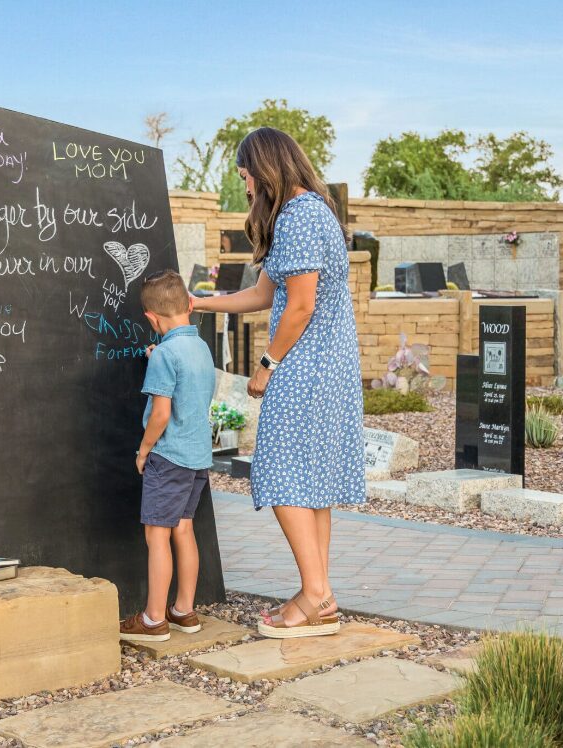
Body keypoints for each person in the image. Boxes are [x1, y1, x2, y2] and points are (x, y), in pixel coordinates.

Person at [192, 127, 366, 639]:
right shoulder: (307, 213)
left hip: (307, 367)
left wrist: (266, 363)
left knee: (279, 471)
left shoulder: (300, 216)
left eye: (245, 175)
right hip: (325, 367)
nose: (245, 186)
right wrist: (198, 302)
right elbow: (264, 295)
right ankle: (322, 597)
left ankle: (313, 594)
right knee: (310, 482)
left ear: (264, 169)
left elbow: (302, 306)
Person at [119, 269, 216, 643]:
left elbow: (160, 414)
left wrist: (143, 450)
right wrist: (157, 355)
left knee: (156, 535)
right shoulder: (200, 348)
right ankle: (184, 610)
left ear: (151, 318)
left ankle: (153, 618)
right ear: (188, 306)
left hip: (169, 455)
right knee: (184, 528)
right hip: (197, 456)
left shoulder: (165, 355)